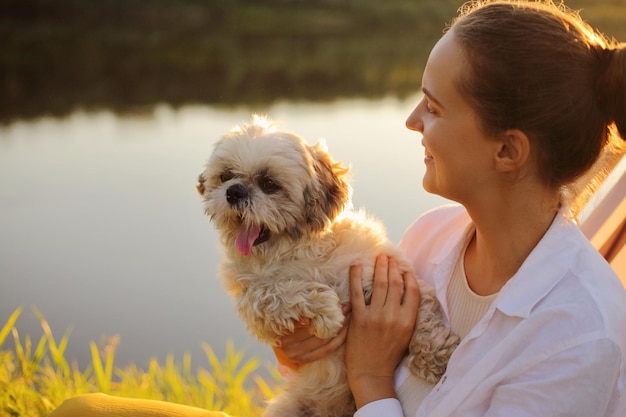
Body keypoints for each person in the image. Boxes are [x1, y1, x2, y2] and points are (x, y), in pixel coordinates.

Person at [49, 1, 626, 416]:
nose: (410, 122)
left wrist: (370, 378)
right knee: (82, 411)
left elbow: (373, 370)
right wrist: (303, 345)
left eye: (433, 107)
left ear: (508, 150)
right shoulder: (433, 237)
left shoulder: (578, 337)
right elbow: (338, 348)